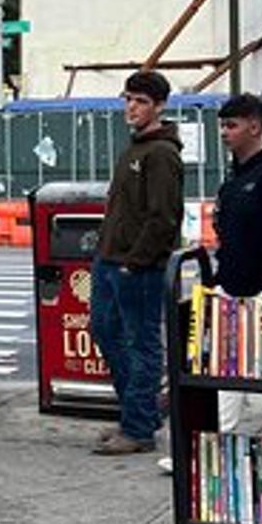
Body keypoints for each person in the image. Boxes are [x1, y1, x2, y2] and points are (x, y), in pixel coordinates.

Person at [89, 70, 184, 456]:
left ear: (159, 106)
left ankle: (139, 425)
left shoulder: (160, 153)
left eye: (141, 101)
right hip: (111, 259)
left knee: (141, 342)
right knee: (106, 332)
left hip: (137, 266)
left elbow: (164, 217)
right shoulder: (135, 148)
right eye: (128, 99)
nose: (131, 107)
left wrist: (135, 261)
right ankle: (138, 412)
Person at [206, 93, 262, 442]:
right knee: (224, 368)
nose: (224, 132)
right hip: (230, 286)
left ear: (255, 126)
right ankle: (220, 438)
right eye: (222, 125)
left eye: (232, 125)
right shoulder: (233, 181)